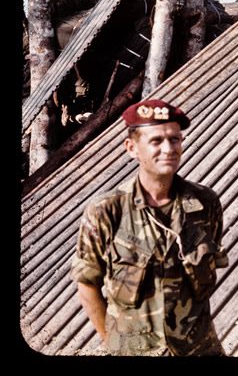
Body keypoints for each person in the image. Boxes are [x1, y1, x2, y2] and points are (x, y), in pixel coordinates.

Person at [70, 99, 228, 356]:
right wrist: (113, 343)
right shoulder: (107, 210)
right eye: (156, 141)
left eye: (175, 139)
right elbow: (87, 285)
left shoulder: (204, 203)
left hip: (198, 347)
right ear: (132, 148)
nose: (168, 149)